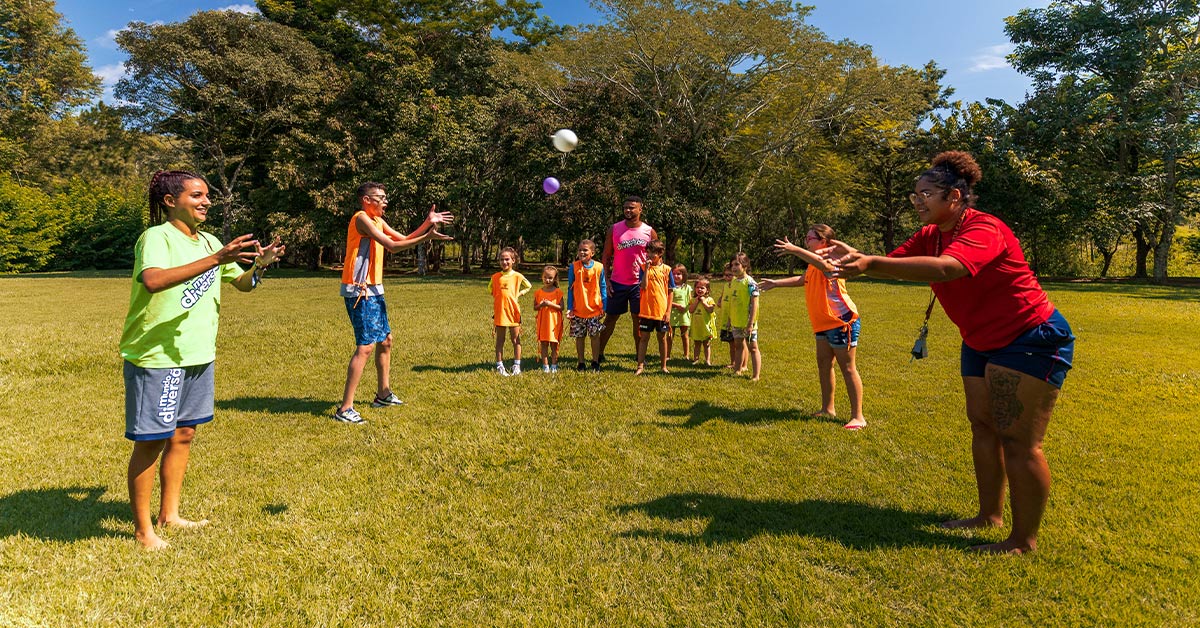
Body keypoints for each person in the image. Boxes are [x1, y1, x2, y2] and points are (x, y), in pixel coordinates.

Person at [826, 150, 1075, 554]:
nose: (918, 201)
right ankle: (988, 515)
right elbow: (895, 263)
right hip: (979, 341)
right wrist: (858, 258)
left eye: (926, 194)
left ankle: (1022, 540)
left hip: (1030, 337)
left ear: (954, 197)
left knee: (1018, 440)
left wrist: (870, 262)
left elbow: (947, 268)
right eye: (914, 195)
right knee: (983, 425)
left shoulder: (984, 229)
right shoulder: (931, 234)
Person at [120, 170, 285, 550]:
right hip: (158, 356)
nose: (206, 201)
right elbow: (154, 280)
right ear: (169, 201)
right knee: (151, 440)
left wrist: (259, 266)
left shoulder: (209, 240)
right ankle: (144, 531)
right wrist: (216, 257)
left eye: (206, 195)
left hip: (198, 354)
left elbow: (239, 283)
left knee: (184, 433)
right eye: (196, 195)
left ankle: (170, 515)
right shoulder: (156, 237)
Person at [335, 182, 453, 424]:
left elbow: (404, 238)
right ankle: (345, 408)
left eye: (385, 197)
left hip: (375, 288)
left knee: (386, 340)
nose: (385, 202)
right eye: (380, 198)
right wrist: (426, 237)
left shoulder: (377, 220)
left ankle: (383, 394)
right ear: (366, 200)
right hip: (359, 291)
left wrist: (427, 223)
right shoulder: (361, 219)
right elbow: (393, 246)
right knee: (365, 347)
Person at [761, 224, 866, 430]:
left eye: (811, 238)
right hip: (822, 323)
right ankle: (828, 408)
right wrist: (776, 283)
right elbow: (803, 279)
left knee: (847, 367)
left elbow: (824, 266)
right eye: (806, 238)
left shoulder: (832, 260)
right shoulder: (812, 263)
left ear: (825, 242)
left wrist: (794, 250)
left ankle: (858, 417)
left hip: (840, 321)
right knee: (824, 365)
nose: (807, 241)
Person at [597, 196, 658, 365]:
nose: (628, 211)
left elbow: (658, 257)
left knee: (638, 320)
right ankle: (599, 353)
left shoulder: (649, 231)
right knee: (610, 319)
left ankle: (640, 357)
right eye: (625, 208)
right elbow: (607, 255)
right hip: (618, 282)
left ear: (640, 209)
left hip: (639, 284)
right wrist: (607, 281)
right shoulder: (615, 229)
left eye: (632, 208)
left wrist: (651, 280)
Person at [566, 239, 607, 371]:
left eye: (585, 250)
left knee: (595, 336)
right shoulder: (574, 267)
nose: (582, 252)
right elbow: (570, 289)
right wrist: (570, 308)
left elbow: (603, 287)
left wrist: (604, 306)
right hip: (578, 310)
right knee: (580, 337)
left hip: (594, 310)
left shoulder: (599, 267)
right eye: (580, 250)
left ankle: (595, 362)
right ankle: (581, 362)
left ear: (592, 253)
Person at [635, 240, 675, 375]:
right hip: (646, 311)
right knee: (644, 338)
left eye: (653, 253)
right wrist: (646, 269)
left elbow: (670, 291)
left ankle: (663, 366)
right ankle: (640, 366)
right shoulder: (642, 267)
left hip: (661, 311)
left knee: (662, 338)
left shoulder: (667, 270)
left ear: (660, 253)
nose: (649, 255)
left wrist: (668, 311)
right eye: (648, 252)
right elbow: (644, 286)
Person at [490, 247, 532, 376]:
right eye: (502, 259)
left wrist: (519, 294)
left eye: (507, 259)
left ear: (513, 260)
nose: (504, 262)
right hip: (500, 312)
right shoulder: (495, 277)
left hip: (513, 312)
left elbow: (528, 286)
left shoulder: (518, 276)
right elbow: (490, 289)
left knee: (516, 340)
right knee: (500, 340)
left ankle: (516, 365)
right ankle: (499, 365)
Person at [727, 252, 761, 381]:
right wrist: (730, 318)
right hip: (737, 321)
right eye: (732, 265)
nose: (734, 268)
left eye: (737, 264)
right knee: (739, 346)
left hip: (748, 322)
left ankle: (756, 375)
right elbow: (733, 302)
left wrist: (751, 323)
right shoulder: (734, 281)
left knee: (753, 348)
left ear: (745, 265)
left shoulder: (751, 283)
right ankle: (738, 370)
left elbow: (755, 304)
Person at [533, 265, 565, 373]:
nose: (547, 280)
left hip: (554, 322)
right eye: (545, 277)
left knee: (554, 344)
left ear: (555, 279)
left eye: (550, 278)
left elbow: (562, 307)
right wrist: (541, 305)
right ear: (542, 277)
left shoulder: (558, 292)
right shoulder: (538, 292)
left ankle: (554, 365)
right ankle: (545, 365)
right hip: (543, 322)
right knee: (544, 344)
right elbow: (535, 307)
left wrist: (550, 304)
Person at [688, 277, 717, 365]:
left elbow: (710, 310)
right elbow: (691, 310)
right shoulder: (693, 300)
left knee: (706, 344)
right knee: (696, 343)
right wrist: (696, 301)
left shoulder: (709, 300)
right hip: (696, 326)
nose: (699, 289)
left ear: (707, 290)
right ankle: (696, 359)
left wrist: (704, 302)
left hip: (706, 326)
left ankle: (707, 360)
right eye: (697, 287)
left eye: (702, 288)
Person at [668, 264, 693, 360]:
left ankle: (686, 355)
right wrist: (676, 305)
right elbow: (667, 300)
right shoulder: (670, 287)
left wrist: (689, 307)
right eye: (673, 274)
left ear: (684, 275)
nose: (676, 276)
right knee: (670, 335)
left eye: (678, 274)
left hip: (684, 314)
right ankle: (667, 355)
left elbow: (690, 301)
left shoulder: (687, 288)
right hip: (672, 314)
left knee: (685, 335)